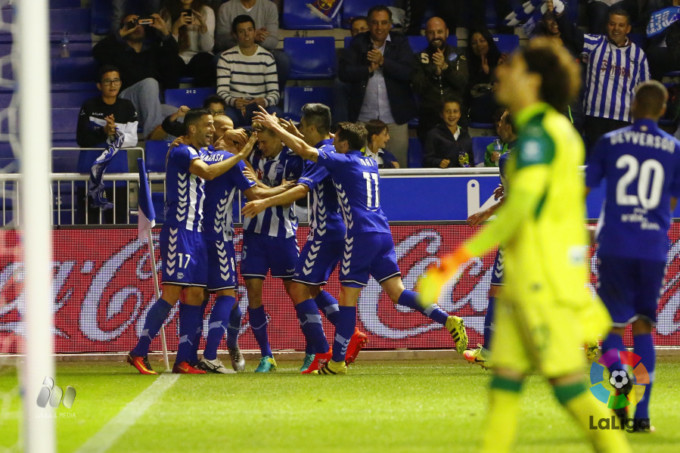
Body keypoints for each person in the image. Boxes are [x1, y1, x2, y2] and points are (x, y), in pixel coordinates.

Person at [419, 38, 630, 452]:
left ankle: (617, 434)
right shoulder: (553, 132)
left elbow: (519, 209)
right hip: (530, 279)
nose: (501, 72)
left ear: (532, 80)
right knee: (504, 390)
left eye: (511, 67)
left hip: (541, 283)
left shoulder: (539, 136)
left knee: (570, 389)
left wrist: (455, 260)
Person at [253, 110, 469, 375]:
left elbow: (305, 150)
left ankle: (336, 361)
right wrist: (308, 135)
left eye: (337, 141)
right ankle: (448, 319)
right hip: (382, 233)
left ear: (343, 145)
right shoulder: (368, 161)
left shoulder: (341, 162)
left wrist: (277, 127)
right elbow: (328, 143)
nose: (334, 144)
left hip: (360, 235)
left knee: (347, 298)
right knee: (397, 293)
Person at [126, 108, 257, 375]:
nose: (212, 129)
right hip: (179, 231)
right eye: (208, 125)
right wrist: (241, 155)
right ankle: (139, 351)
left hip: (197, 234)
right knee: (172, 293)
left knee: (197, 294)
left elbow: (212, 162)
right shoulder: (183, 151)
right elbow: (208, 173)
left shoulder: (193, 151)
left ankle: (185, 359)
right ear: (193, 129)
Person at [242, 104, 368, 373]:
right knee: (310, 289)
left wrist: (264, 202)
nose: (298, 128)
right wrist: (290, 132)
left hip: (325, 232)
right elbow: (304, 148)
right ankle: (350, 334)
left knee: (299, 289)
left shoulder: (326, 153)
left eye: (302, 124)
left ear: (312, 127)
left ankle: (324, 352)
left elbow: (300, 189)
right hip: (330, 229)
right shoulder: (329, 150)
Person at [585, 80, 680, 432]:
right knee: (644, 327)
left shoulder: (610, 142)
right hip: (653, 248)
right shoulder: (674, 148)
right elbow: (670, 202)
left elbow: (583, 189)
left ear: (632, 105)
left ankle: (621, 386)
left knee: (609, 326)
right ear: (664, 108)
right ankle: (642, 419)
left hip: (615, 245)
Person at [196, 121, 284, 374]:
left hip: (193, 236)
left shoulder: (197, 154)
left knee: (202, 295)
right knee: (227, 294)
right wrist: (290, 188)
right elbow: (256, 194)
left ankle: (208, 350)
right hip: (217, 236)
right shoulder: (232, 161)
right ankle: (211, 355)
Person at [239, 127, 304, 372]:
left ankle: (312, 351)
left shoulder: (293, 160)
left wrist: (260, 185)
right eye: (260, 142)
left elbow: (293, 195)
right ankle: (266, 355)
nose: (262, 147)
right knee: (253, 294)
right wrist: (271, 186)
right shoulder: (252, 156)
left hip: (283, 236)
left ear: (279, 138)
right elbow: (253, 188)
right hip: (254, 235)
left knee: (297, 293)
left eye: (265, 142)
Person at [556, 6, 650, 156]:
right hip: (595, 118)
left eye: (621, 25)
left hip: (625, 121)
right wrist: (559, 11)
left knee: (619, 166)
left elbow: (645, 92)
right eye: (612, 24)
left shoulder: (639, 55)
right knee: (597, 165)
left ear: (628, 29)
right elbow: (572, 34)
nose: (616, 29)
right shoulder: (595, 44)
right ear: (607, 25)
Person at [339, 5, 417, 168]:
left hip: (394, 120)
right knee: (358, 169)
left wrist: (383, 62)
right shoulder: (358, 43)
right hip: (363, 121)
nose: (379, 27)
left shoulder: (400, 42)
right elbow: (344, 73)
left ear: (390, 24)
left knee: (398, 168)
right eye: (375, 23)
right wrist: (367, 69)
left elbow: (409, 73)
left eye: (383, 23)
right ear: (369, 24)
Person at [93, 13, 181, 140]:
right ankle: (152, 134)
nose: (136, 26)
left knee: (183, 116)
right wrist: (120, 34)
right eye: (131, 24)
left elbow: (173, 57)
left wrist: (165, 31)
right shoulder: (116, 51)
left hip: (149, 108)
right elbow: (97, 52)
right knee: (150, 83)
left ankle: (167, 154)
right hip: (126, 104)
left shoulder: (152, 51)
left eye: (140, 23)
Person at [76, 65, 138, 219]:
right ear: (99, 85)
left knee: (119, 223)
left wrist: (114, 133)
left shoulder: (127, 107)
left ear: (121, 83)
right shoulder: (89, 106)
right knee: (87, 223)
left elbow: (133, 140)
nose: (112, 85)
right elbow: (82, 139)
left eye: (116, 80)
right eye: (107, 81)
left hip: (118, 174)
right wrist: (103, 131)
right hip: (89, 173)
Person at [217, 14, 280, 127]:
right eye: (241, 31)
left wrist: (264, 102)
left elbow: (274, 93)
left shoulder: (267, 57)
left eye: (250, 30)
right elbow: (221, 92)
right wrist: (234, 101)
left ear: (255, 32)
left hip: (260, 107)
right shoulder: (226, 57)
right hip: (236, 107)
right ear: (235, 35)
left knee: (276, 114)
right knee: (226, 119)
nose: (247, 35)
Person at [412, 16, 468, 143]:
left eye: (439, 32)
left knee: (459, 158)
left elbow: (462, 83)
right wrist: (435, 72)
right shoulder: (419, 57)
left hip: (456, 117)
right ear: (426, 34)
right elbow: (417, 87)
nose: (436, 36)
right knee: (431, 160)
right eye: (431, 32)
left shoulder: (459, 54)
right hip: (429, 118)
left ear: (447, 32)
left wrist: (445, 68)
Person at [215, 0, 289, 91]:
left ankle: (274, 95)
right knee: (217, 58)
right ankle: (227, 98)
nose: (248, 34)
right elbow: (221, 41)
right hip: (234, 51)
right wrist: (251, 37)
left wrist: (251, 39)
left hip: (262, 51)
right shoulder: (226, 8)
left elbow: (273, 41)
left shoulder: (270, 7)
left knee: (283, 60)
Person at [160, 0, 216, 87]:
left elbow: (207, 48)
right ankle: (172, 97)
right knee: (169, 60)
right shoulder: (167, 12)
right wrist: (175, 27)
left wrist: (203, 28)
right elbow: (169, 50)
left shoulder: (206, 11)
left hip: (198, 57)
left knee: (204, 59)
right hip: (178, 58)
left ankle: (202, 98)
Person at [466, 27, 502, 125]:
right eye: (474, 43)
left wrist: (490, 73)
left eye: (482, 41)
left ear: (489, 42)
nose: (479, 45)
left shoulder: (501, 60)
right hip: (477, 105)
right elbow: (468, 90)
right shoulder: (466, 62)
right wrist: (482, 74)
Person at [423, 97, 473, 168]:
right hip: (441, 176)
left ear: (460, 114)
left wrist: (466, 165)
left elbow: (470, 162)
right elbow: (427, 159)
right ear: (441, 114)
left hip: (461, 176)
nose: (452, 115)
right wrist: (439, 162)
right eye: (448, 111)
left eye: (455, 111)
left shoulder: (465, 135)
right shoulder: (433, 134)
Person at [161, 94, 229, 138]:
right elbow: (168, 126)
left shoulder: (229, 130)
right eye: (212, 112)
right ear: (205, 112)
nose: (216, 115)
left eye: (220, 112)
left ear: (224, 113)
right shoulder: (195, 129)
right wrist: (177, 115)